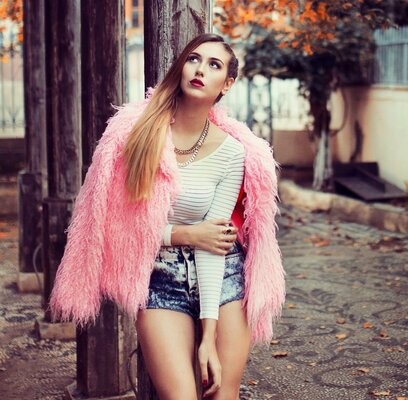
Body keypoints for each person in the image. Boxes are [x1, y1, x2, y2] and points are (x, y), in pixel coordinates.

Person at [49, 33, 285, 400]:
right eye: (194, 59)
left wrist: (209, 337)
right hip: (159, 278)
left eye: (214, 65)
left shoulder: (234, 154)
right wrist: (184, 235)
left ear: (227, 84)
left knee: (223, 394)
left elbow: (216, 242)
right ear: (180, 67)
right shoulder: (135, 134)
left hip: (222, 277)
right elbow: (115, 225)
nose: (200, 69)